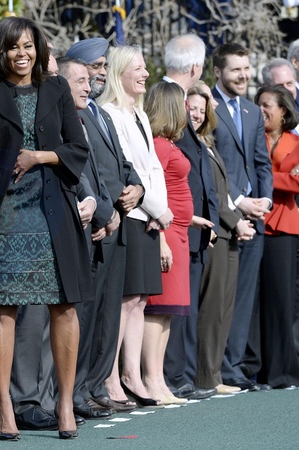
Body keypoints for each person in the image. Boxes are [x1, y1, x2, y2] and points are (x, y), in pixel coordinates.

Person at [0, 16, 92, 440]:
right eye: (13, 47)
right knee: (2, 308)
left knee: (64, 306)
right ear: (1, 51)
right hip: (5, 214)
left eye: (28, 46)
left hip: (53, 210)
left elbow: (77, 148)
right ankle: (5, 405)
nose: (22, 54)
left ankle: (64, 403)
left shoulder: (56, 89)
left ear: (39, 49)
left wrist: (39, 157)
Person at [63, 39, 144, 415]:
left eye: (102, 66)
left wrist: (137, 188)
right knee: (86, 315)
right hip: (97, 226)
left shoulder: (101, 113)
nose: (100, 73)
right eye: (94, 67)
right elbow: (82, 170)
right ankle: (77, 390)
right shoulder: (72, 113)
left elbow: (122, 164)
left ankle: (97, 385)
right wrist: (105, 212)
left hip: (117, 224)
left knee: (108, 314)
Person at [97, 45, 172, 407]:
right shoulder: (110, 113)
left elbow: (153, 167)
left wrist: (161, 211)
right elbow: (127, 170)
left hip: (150, 217)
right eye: (138, 68)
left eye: (144, 67)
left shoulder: (139, 113)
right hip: (130, 216)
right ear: (120, 73)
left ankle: (133, 375)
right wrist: (157, 208)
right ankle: (111, 378)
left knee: (139, 300)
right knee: (124, 301)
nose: (145, 74)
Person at [56, 55, 118, 420]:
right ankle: (69, 394)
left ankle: (80, 390)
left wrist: (106, 210)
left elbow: (99, 173)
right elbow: (76, 172)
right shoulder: (60, 121)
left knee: (88, 317)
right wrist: (100, 211)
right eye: (79, 80)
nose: (88, 85)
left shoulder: (87, 116)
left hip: (96, 221)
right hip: (76, 226)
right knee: (73, 317)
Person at [211, 43, 274, 392]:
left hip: (256, 217)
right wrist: (239, 202)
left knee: (245, 296)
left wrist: (264, 201)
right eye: (236, 69)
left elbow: (262, 163)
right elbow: (212, 161)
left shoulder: (251, 111)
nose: (243, 75)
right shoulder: (207, 106)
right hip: (226, 216)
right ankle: (215, 367)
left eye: (246, 68)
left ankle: (234, 367)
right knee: (222, 297)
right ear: (218, 72)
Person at [160, 34, 218, 401]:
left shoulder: (179, 100)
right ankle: (169, 376)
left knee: (182, 307)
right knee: (168, 306)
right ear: (196, 67)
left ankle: (178, 375)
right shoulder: (166, 100)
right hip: (168, 224)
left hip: (188, 224)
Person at [188, 82, 254, 394]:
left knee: (224, 307)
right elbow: (213, 194)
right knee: (211, 307)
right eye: (193, 108)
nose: (198, 114)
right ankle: (205, 377)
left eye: (202, 109)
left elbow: (225, 191)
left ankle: (215, 375)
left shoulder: (208, 142)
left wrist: (237, 220)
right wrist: (235, 221)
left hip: (228, 231)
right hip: (214, 231)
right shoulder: (194, 146)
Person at [143, 81, 192, 405]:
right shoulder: (159, 145)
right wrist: (160, 239)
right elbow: (153, 190)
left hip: (181, 232)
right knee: (157, 309)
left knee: (168, 312)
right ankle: (150, 379)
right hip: (167, 233)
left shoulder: (169, 143)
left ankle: (159, 380)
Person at [253, 85, 299, 388]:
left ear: (283, 111)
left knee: (281, 300)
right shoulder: (251, 138)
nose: (260, 110)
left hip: (283, 227)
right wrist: (283, 177)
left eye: (267, 105)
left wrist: (265, 176)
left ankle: (283, 371)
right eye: (257, 104)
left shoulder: (296, 142)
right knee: (255, 301)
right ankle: (257, 368)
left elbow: (297, 183)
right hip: (253, 223)